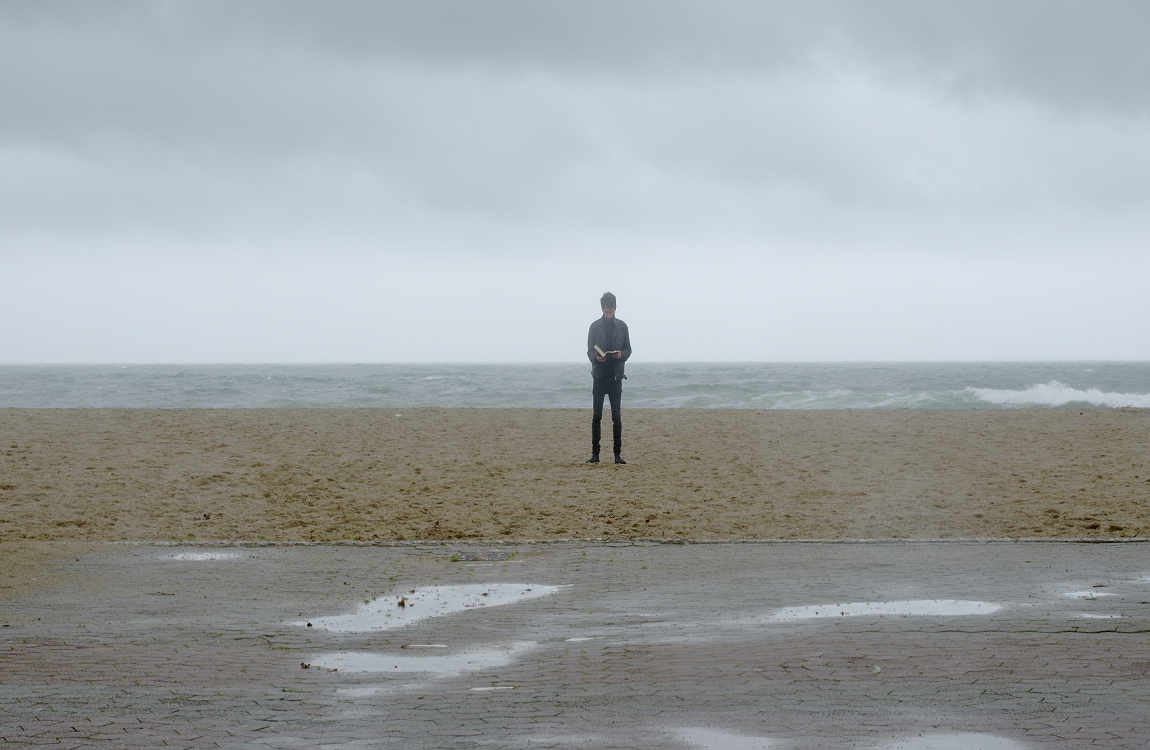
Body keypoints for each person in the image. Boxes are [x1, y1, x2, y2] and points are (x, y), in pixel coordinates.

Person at [586, 291, 631, 464]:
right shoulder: (594, 326)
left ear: (615, 308)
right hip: (599, 376)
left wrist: (621, 354)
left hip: (616, 377)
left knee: (616, 417)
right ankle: (595, 454)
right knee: (597, 416)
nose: (609, 312)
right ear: (602, 308)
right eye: (606, 310)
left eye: (611, 310)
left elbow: (629, 349)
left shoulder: (622, 326)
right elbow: (590, 350)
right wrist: (595, 357)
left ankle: (617, 455)